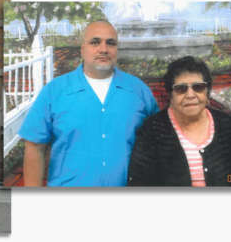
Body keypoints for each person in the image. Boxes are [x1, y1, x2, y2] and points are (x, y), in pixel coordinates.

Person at [19, 20, 159, 187]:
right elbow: (34, 147)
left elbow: (158, 141)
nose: (103, 49)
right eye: (95, 42)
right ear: (82, 49)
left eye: (111, 43)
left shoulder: (138, 91)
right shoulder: (54, 91)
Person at [128, 56, 231, 186]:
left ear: (207, 92)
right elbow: (140, 184)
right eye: (181, 89)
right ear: (170, 95)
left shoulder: (227, 125)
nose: (190, 95)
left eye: (198, 87)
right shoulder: (152, 130)